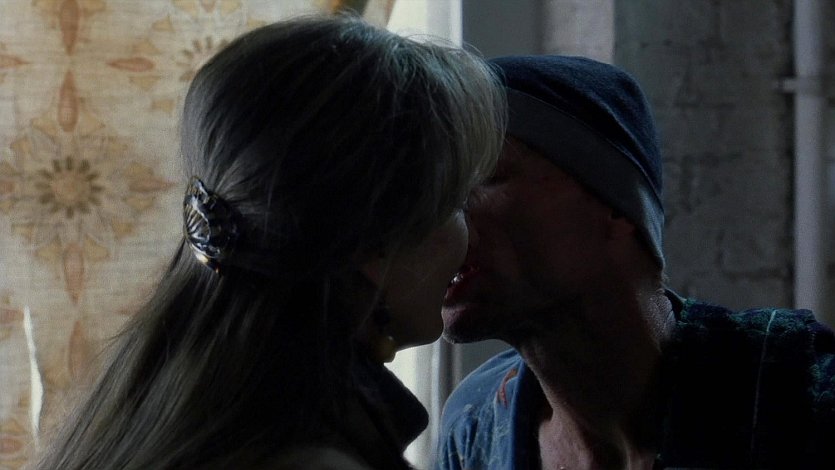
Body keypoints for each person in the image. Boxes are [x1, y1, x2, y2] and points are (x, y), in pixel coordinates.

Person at [31, 15, 506, 470]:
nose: (475, 231)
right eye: (456, 202)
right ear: (376, 245)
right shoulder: (311, 460)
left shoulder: (154, 405)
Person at [437, 55, 835, 469]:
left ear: (616, 207)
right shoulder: (474, 427)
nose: (438, 219)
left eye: (484, 178)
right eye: (433, 191)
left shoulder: (801, 399)